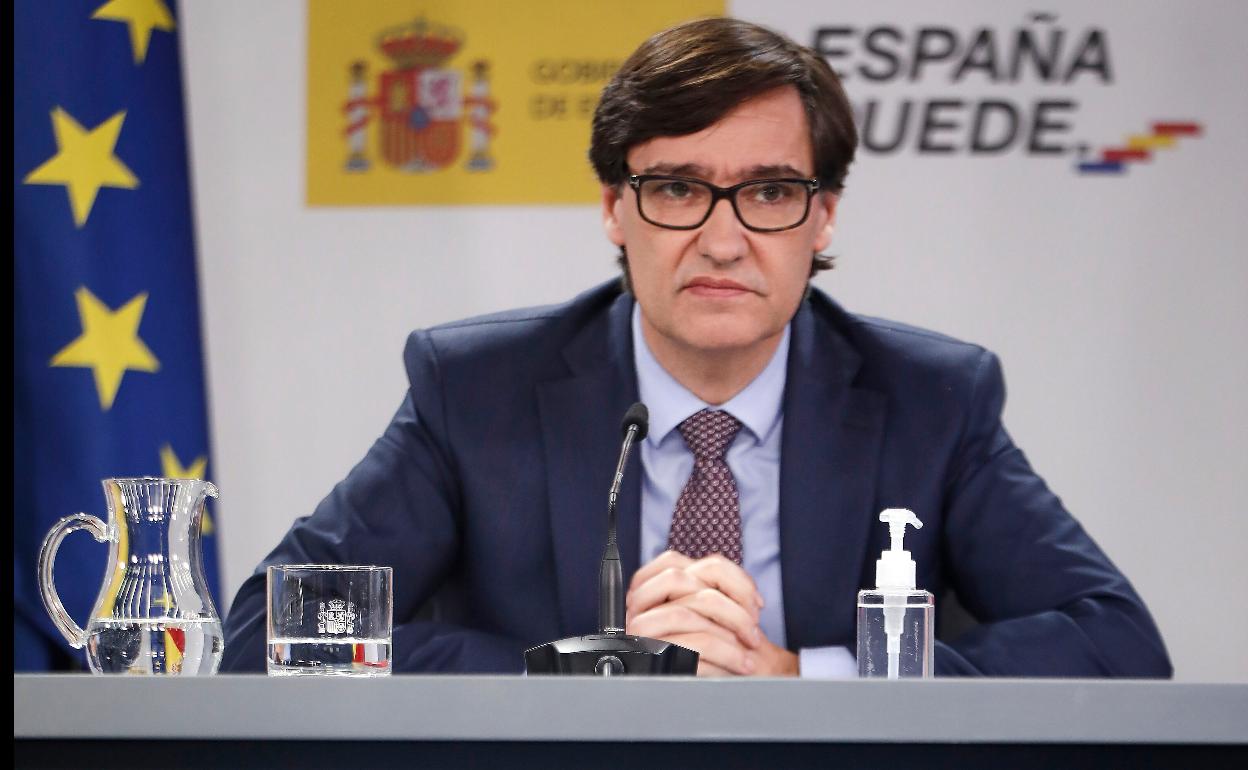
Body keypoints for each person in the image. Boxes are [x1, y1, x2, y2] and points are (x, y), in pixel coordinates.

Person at [221, 18, 1171, 677]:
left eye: (770, 192)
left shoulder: (932, 400)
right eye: (678, 189)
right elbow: (272, 631)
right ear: (614, 208)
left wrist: (802, 679)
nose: (723, 241)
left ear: (823, 217)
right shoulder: (476, 390)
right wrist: (585, 675)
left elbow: (1116, 643)